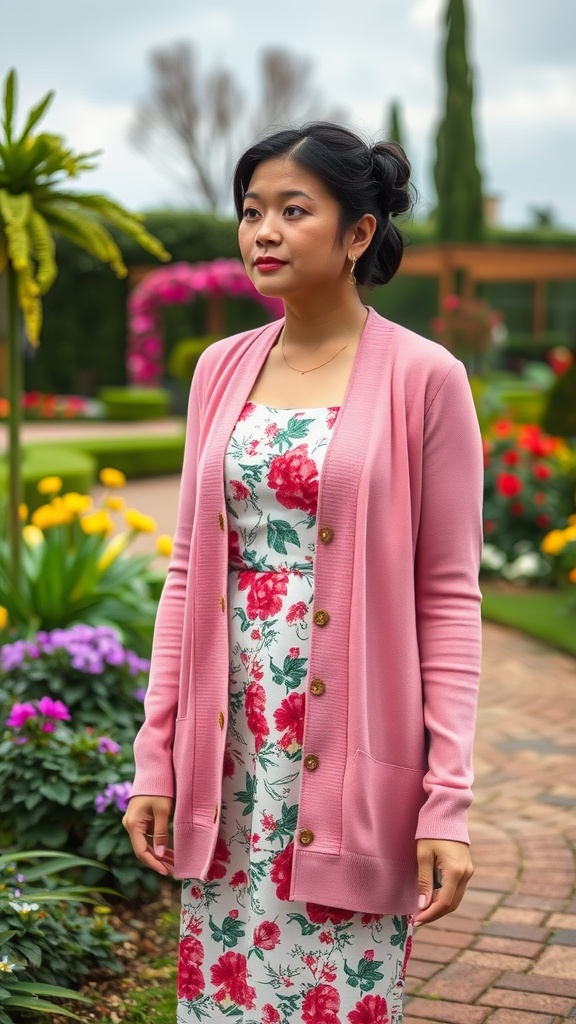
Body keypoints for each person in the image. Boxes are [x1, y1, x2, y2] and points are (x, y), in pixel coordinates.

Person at [123, 122, 483, 1023]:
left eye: (293, 210)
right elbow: (184, 572)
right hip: (227, 748)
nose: (263, 234)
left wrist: (447, 804)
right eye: (251, 213)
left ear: (358, 233)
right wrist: (155, 760)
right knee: (224, 997)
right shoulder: (220, 369)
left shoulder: (425, 377)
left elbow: (446, 597)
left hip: (346, 753)